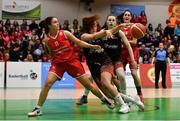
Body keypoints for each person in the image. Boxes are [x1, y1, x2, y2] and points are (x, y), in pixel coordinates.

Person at [27, 17, 115, 117]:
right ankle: (38, 108)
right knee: (47, 84)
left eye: (57, 21)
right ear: (49, 25)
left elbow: (79, 42)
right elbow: (51, 54)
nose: (58, 23)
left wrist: (92, 46)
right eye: (55, 22)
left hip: (72, 62)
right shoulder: (47, 40)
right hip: (58, 64)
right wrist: (54, 58)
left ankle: (104, 99)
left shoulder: (65, 33)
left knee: (88, 85)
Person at [77, 15, 144, 113]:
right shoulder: (84, 35)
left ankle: (123, 105)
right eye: (95, 25)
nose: (97, 26)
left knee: (107, 82)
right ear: (90, 26)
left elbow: (111, 32)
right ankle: (134, 101)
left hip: (105, 62)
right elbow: (94, 37)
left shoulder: (102, 33)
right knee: (110, 94)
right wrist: (104, 33)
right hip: (94, 67)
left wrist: (119, 26)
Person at [118, 10, 144, 102]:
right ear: (123, 16)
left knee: (134, 73)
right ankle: (119, 94)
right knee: (119, 75)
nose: (127, 16)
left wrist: (123, 41)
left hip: (132, 52)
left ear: (131, 17)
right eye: (125, 15)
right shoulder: (119, 27)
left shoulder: (134, 27)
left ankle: (140, 93)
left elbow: (134, 42)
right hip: (121, 52)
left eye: (129, 15)